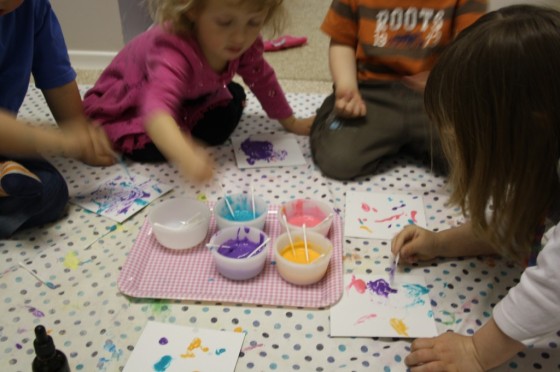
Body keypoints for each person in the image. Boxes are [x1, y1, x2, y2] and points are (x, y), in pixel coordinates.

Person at [391, 5, 560, 370]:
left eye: (465, 141)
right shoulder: (544, 153)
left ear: (526, 130)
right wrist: (440, 243)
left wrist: (476, 351)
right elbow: (515, 221)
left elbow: (553, 288)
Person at [83, 0, 314, 183]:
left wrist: (291, 122)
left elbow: (262, 78)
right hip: (136, 104)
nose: (239, 37)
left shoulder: (244, 43)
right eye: (224, 22)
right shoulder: (172, 48)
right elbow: (155, 111)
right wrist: (185, 154)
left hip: (189, 96)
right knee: (154, 149)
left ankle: (188, 124)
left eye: (253, 23)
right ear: (192, 8)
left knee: (224, 118)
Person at [309, 0, 487, 180]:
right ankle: (327, 117)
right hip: (371, 94)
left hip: (435, 96)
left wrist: (446, 79)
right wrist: (346, 86)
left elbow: (473, 45)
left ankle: (406, 142)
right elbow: (342, 41)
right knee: (338, 161)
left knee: (477, 164)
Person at [0, 0, 115, 238]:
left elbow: (57, 77)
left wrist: (81, 136)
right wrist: (57, 141)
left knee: (51, 190)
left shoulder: (34, 8)